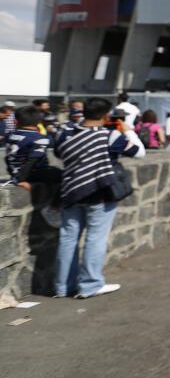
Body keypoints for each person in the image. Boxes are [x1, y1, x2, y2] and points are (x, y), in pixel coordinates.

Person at [52, 97, 145, 299]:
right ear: (106, 115)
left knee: (68, 239)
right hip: (100, 193)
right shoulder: (110, 136)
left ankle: (62, 287)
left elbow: (59, 154)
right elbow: (139, 152)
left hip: (70, 191)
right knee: (96, 239)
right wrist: (127, 129)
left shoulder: (65, 134)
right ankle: (90, 285)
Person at [4, 105, 54, 188]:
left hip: (15, 173)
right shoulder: (39, 138)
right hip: (32, 176)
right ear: (39, 122)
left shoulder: (10, 136)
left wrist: (14, 175)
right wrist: (19, 180)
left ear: (15, 121)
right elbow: (32, 160)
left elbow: (7, 158)